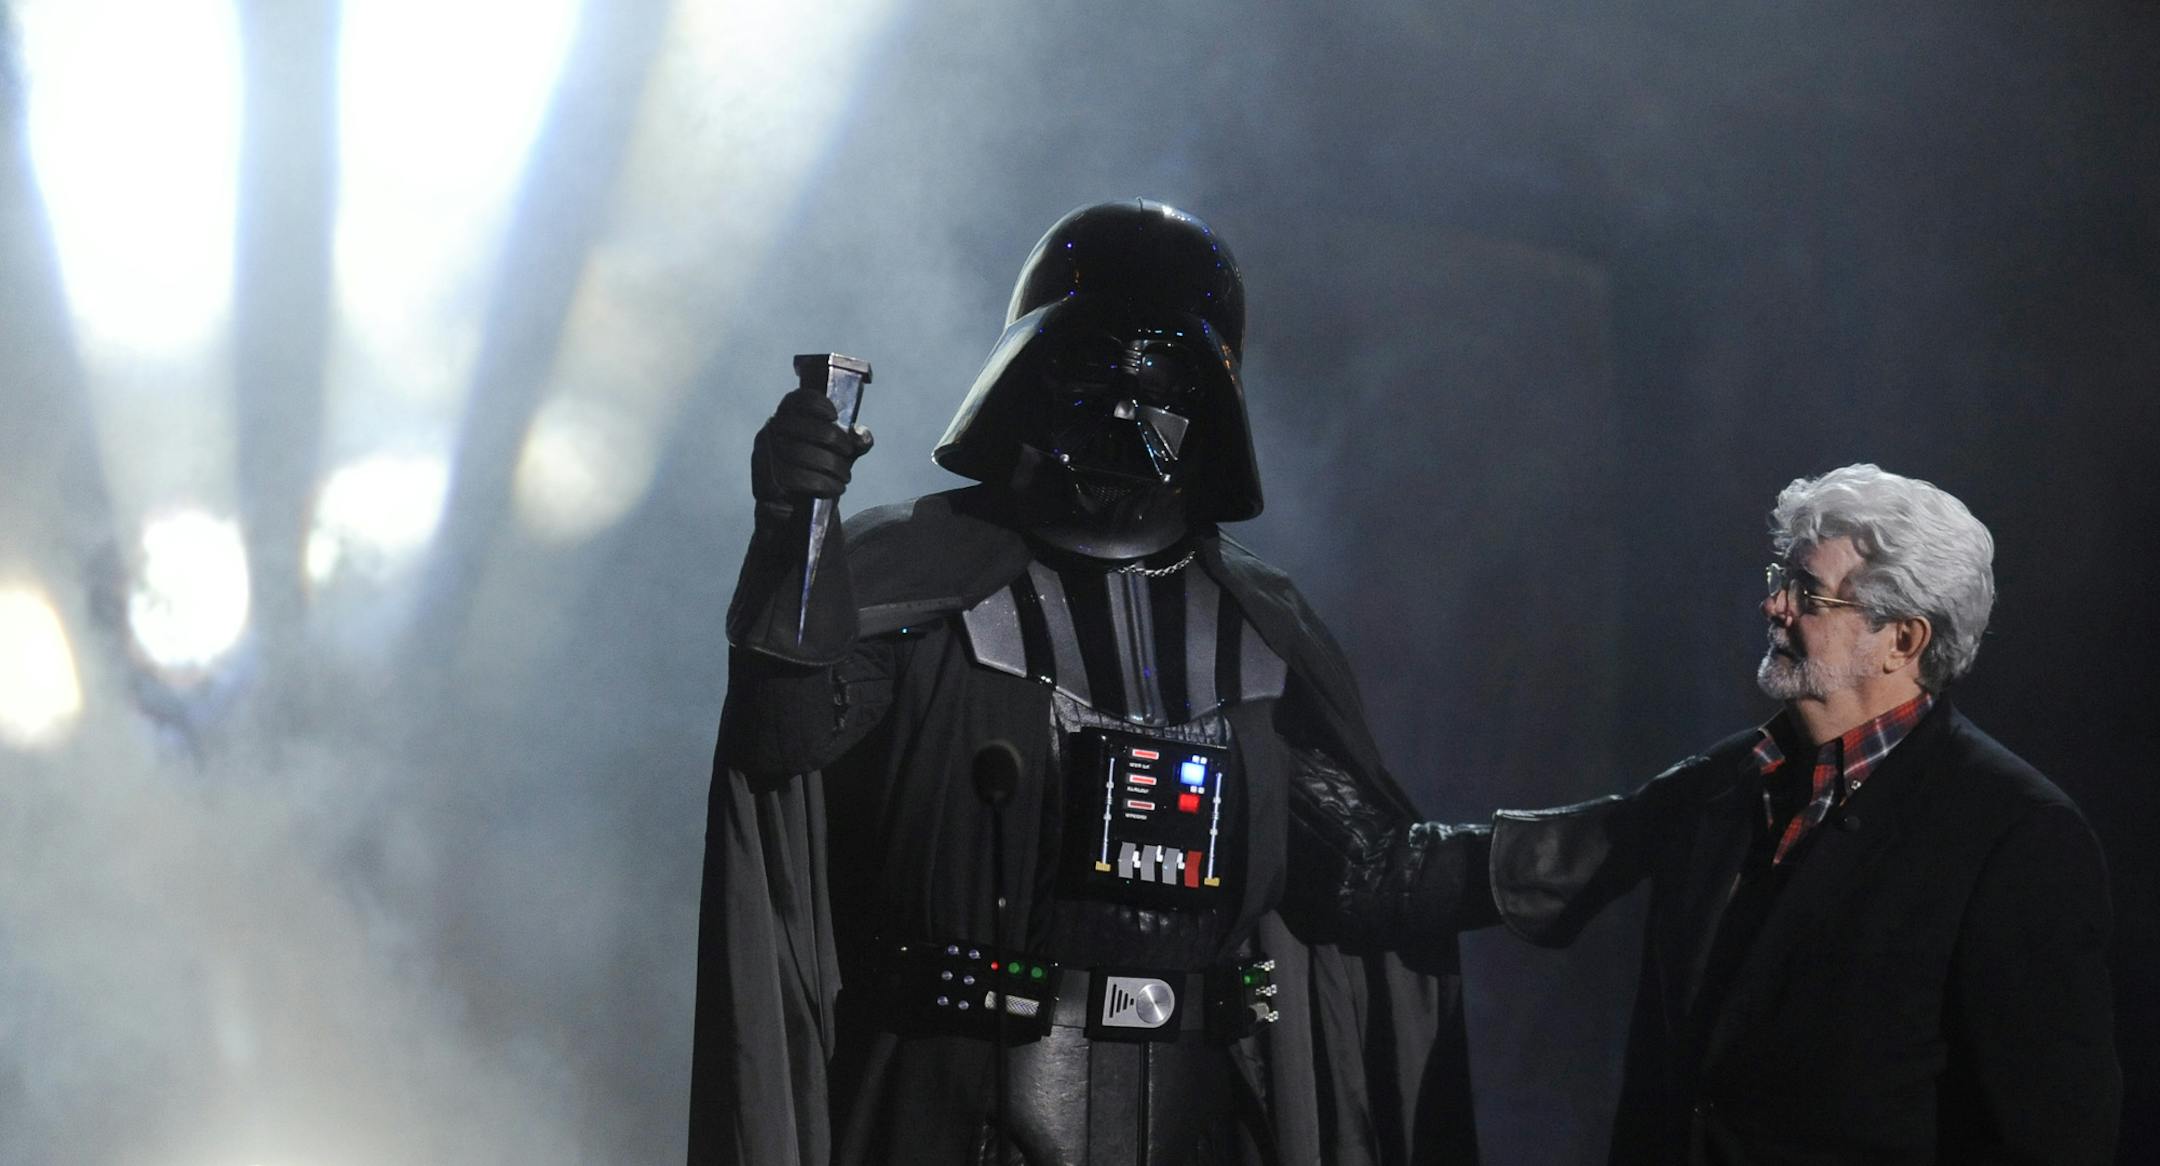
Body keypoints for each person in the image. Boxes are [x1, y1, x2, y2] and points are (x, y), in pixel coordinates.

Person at [686, 200, 1497, 1165]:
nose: (1121, 408)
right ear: (1025, 378)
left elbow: (1373, 872)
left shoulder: (1259, 627)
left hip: (1195, 1113)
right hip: (953, 1107)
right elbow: (782, 739)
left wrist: (1643, 827)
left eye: (1161, 379)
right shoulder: (916, 578)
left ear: (1211, 402)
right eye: (1087, 367)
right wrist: (792, 531)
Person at [1489, 464, 2120, 1163]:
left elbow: (2055, 1135)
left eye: (1809, 594)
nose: (1774, 607)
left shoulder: (2016, 834)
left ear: (1903, 641)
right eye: (1777, 581)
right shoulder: (1725, 782)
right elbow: (1563, 859)